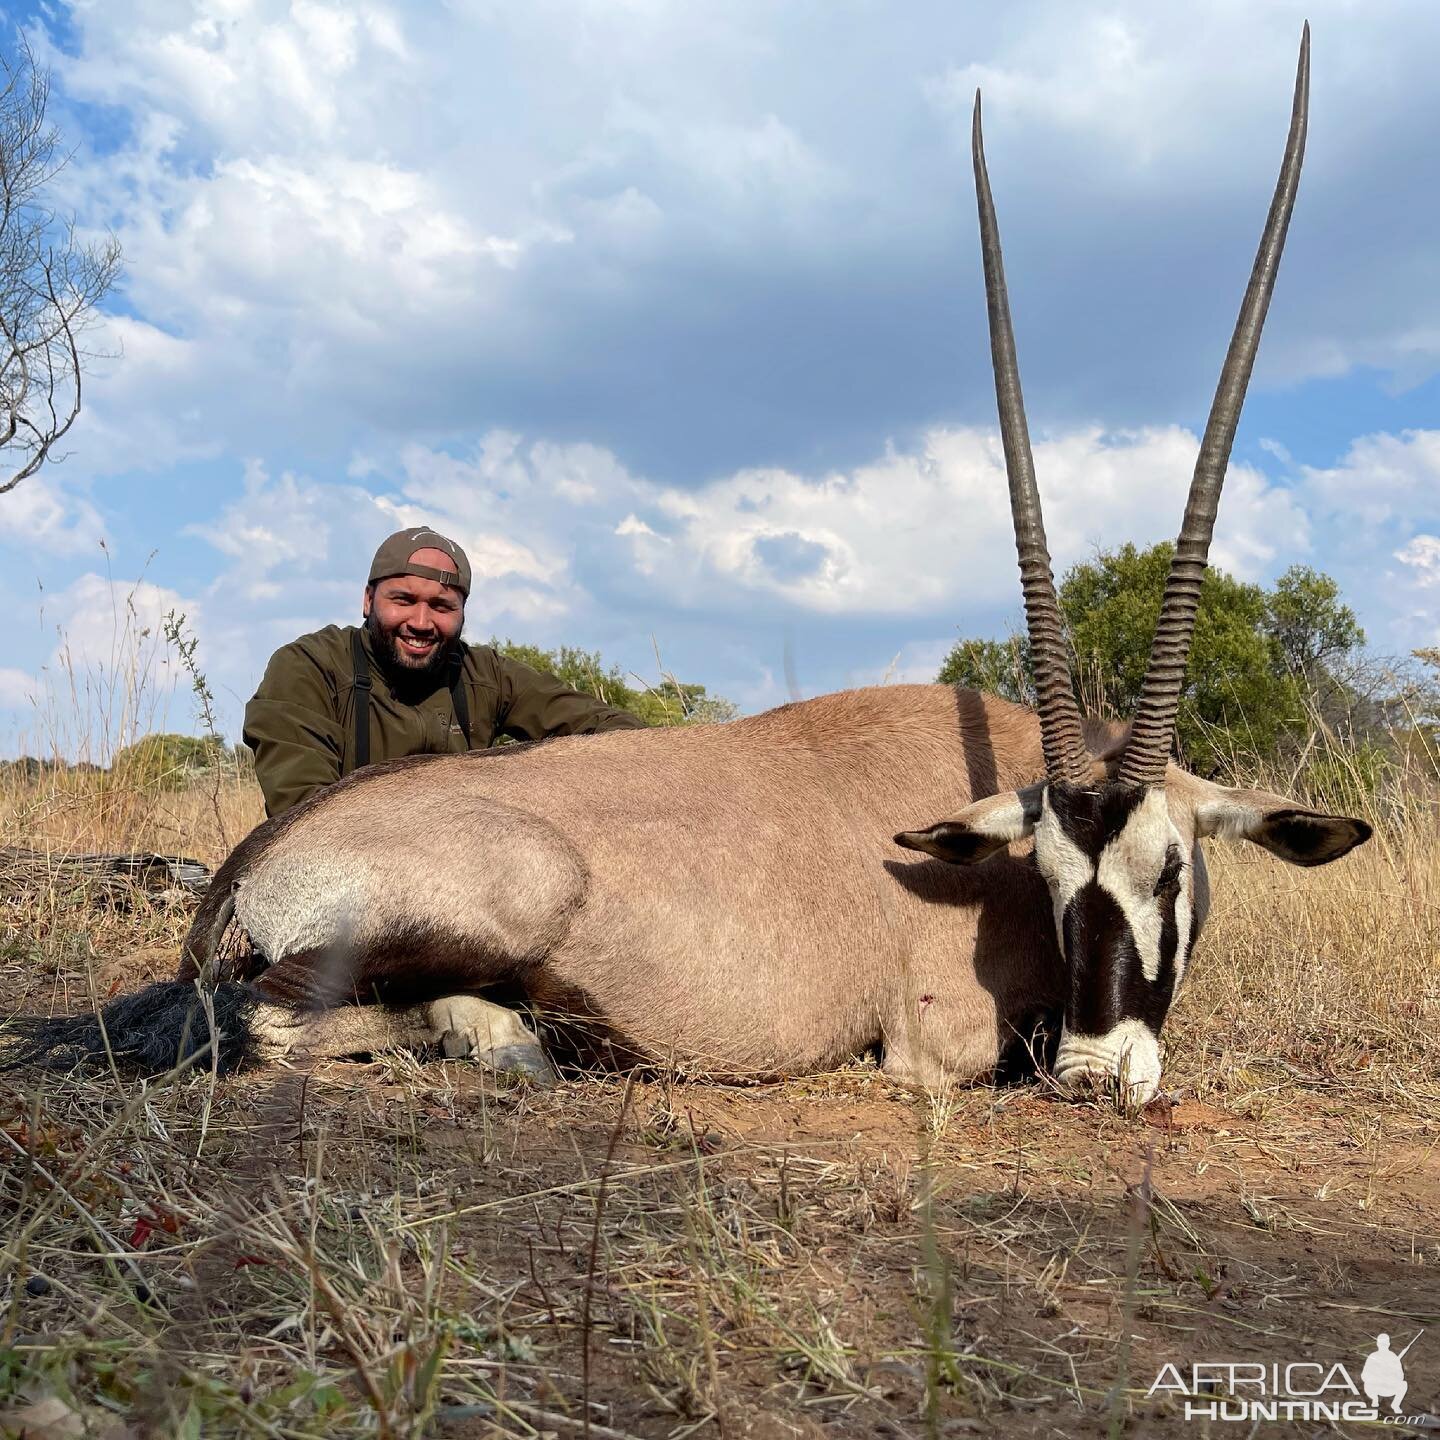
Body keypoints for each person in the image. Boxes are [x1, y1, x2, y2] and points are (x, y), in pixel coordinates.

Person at [243, 526, 645, 817]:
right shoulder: (308, 666)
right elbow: (303, 812)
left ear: (463, 613)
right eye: (402, 600)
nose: (421, 622)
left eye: (441, 606)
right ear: (368, 600)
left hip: (466, 874)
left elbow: (621, 735)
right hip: (350, 874)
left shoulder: (484, 672)